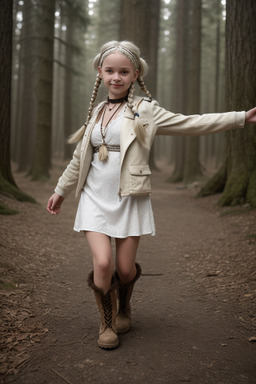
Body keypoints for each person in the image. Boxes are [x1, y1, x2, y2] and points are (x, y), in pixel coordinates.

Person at [47, 40, 256, 350]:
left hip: (130, 197)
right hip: (94, 197)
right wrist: (61, 190)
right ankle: (106, 321)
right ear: (100, 73)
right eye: (109, 71)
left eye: (123, 71)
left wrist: (240, 117)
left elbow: (191, 123)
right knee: (103, 264)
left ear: (134, 74)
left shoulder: (145, 110)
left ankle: (125, 305)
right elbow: (80, 158)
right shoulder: (97, 110)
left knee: (126, 269)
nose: (115, 77)